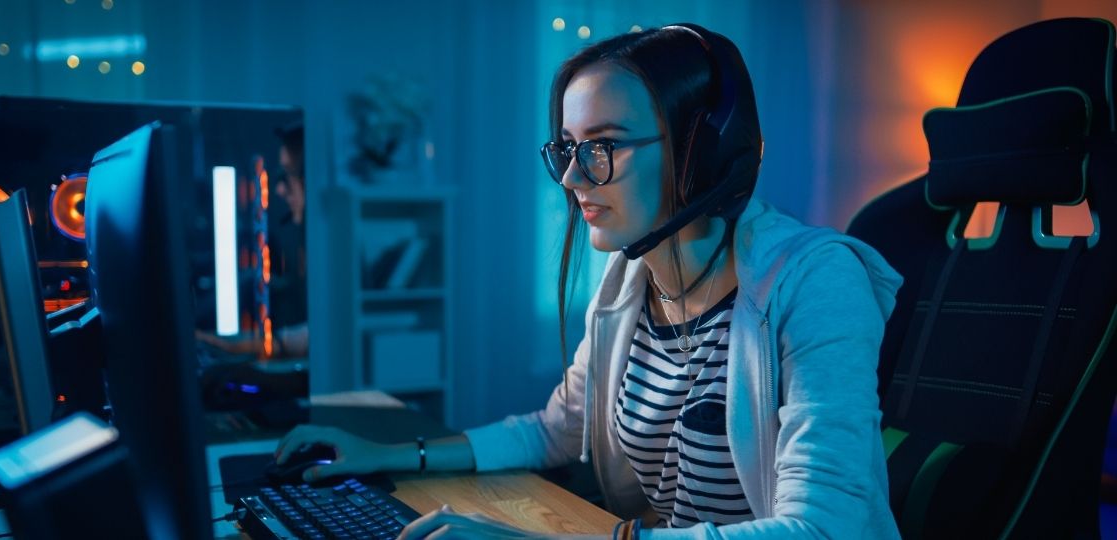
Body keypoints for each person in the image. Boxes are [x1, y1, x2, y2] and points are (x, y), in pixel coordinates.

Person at [275, 24, 903, 538]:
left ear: (701, 149)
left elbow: (827, 528)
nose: (573, 179)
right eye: (569, 149)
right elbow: (558, 427)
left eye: (602, 146)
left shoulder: (816, 281)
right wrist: (390, 456)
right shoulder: (628, 279)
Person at [196, 122, 310, 359]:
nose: (279, 189)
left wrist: (261, 345)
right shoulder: (306, 247)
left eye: (288, 175)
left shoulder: (341, 258)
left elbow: (328, 331)